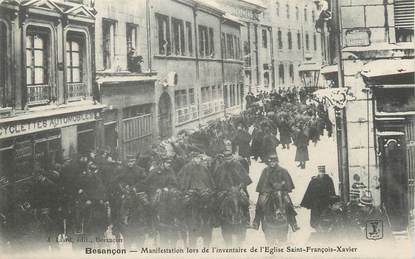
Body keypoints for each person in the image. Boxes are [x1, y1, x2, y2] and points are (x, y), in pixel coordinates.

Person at [252, 153, 299, 244]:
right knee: (260, 203)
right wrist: (267, 189)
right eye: (270, 162)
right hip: (268, 192)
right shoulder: (265, 171)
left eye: (274, 162)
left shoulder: (283, 171)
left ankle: (293, 223)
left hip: (280, 192)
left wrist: (281, 185)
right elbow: (263, 184)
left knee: (288, 203)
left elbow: (288, 184)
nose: (272, 163)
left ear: (277, 162)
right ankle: (256, 221)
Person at [300, 165, 335, 230]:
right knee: (315, 218)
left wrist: (332, 202)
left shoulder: (329, 180)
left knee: (325, 216)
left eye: (323, 172)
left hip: (326, 202)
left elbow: (332, 191)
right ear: (318, 172)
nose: (321, 173)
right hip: (316, 203)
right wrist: (308, 203)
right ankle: (317, 228)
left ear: (324, 172)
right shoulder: (314, 180)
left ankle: (324, 229)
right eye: (320, 172)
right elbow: (309, 192)